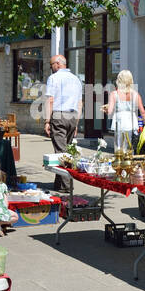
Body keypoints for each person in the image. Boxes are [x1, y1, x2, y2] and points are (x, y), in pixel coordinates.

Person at [44, 54, 83, 191]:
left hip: (59, 115)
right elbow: (79, 103)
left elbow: (50, 100)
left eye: (52, 65)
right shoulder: (76, 79)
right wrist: (76, 122)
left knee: (61, 152)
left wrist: (47, 121)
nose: (51, 68)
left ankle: (67, 186)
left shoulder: (54, 78)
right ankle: (59, 184)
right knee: (67, 151)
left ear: (58, 64)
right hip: (72, 116)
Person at [103, 70, 145, 150]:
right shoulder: (135, 94)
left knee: (119, 149)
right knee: (130, 148)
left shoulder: (114, 94)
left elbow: (110, 112)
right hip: (132, 124)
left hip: (119, 124)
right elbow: (143, 112)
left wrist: (105, 110)